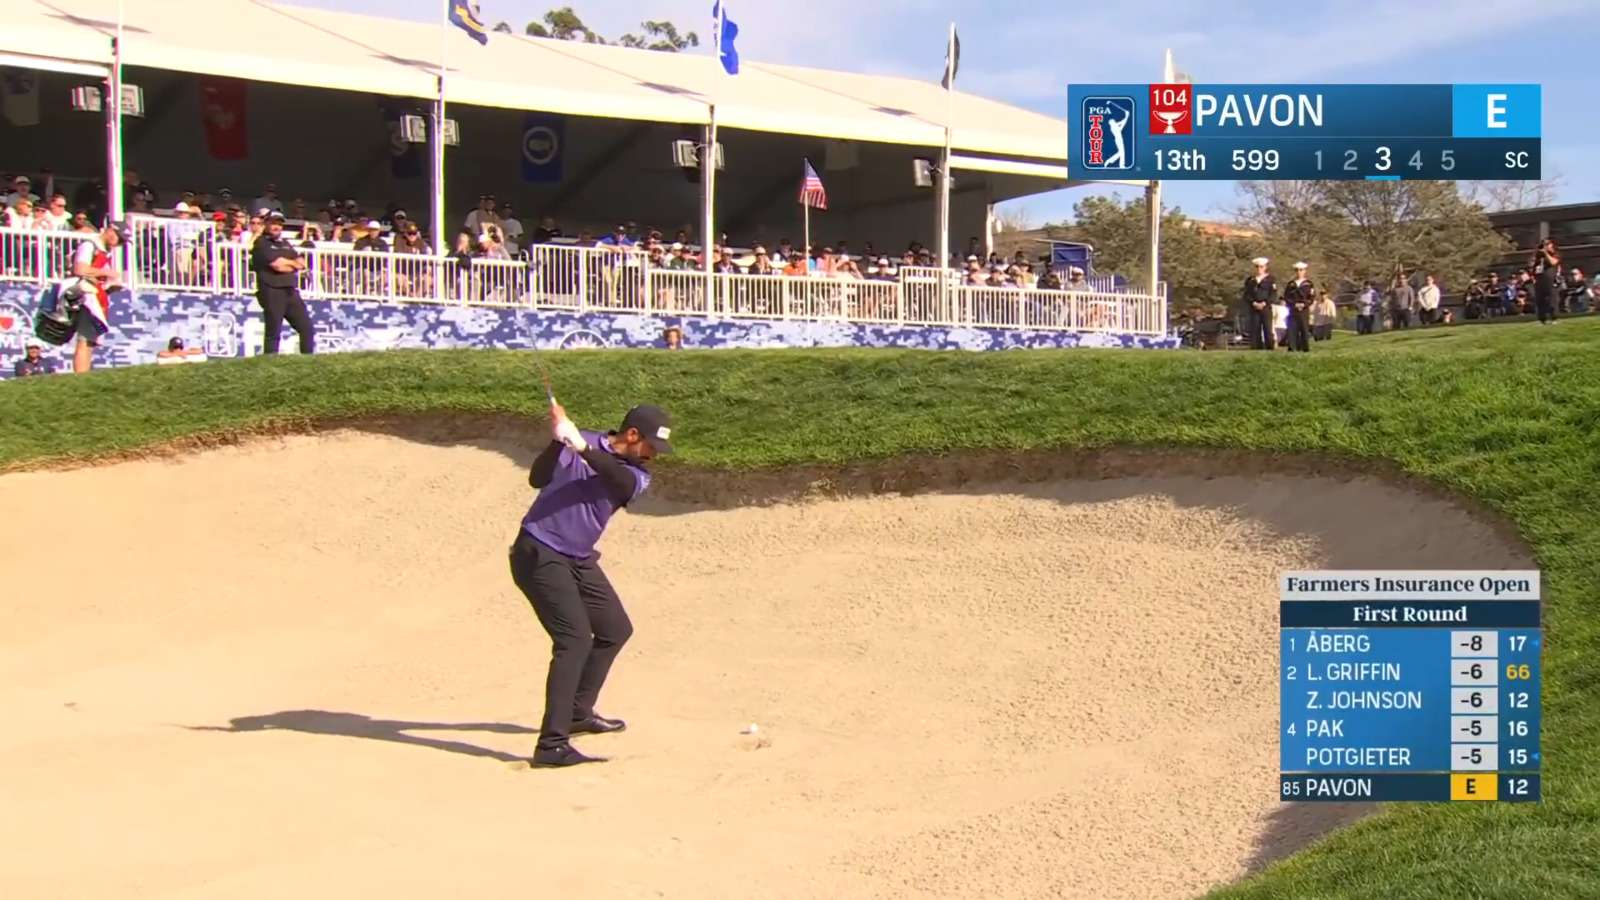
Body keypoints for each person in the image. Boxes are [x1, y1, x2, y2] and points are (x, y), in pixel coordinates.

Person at [510, 401, 675, 768]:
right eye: (651, 446)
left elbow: (616, 480)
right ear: (632, 436)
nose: (654, 455)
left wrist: (580, 447)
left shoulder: (636, 475)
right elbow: (537, 479)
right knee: (573, 640)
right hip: (538, 550)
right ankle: (552, 745)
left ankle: (577, 712)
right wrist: (557, 441)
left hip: (578, 557)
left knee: (615, 629)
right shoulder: (578, 441)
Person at [249, 212, 313, 354]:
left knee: (307, 328)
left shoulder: (285, 243)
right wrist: (292, 264)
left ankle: (309, 361)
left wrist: (288, 263)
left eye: (279, 223)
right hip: (272, 290)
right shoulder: (261, 243)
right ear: (266, 224)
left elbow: (301, 263)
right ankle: (270, 363)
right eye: (273, 223)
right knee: (274, 331)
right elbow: (277, 265)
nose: (276, 226)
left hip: (290, 290)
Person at [69, 221, 126, 373]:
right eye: (119, 239)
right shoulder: (89, 245)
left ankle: (84, 374)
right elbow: (80, 269)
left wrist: (110, 287)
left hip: (95, 296)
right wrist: (107, 273)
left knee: (89, 340)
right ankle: (80, 377)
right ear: (110, 231)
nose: (118, 244)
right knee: (84, 338)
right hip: (84, 296)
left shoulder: (103, 252)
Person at [1241, 257, 1276, 350]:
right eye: (1257, 267)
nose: (1259, 269)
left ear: (1265, 267)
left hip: (1266, 307)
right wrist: (1253, 303)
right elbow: (1247, 294)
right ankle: (1256, 348)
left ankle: (1269, 347)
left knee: (1267, 328)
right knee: (1255, 328)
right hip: (1254, 307)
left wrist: (1265, 303)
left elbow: (1273, 294)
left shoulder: (1270, 279)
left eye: (1261, 267)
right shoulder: (1250, 280)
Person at [1282, 261, 1314, 352]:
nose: (1299, 272)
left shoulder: (1308, 284)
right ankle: (1292, 347)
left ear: (1305, 271)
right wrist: (1293, 304)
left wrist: (1304, 304)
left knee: (1304, 328)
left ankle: (1305, 348)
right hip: (1293, 309)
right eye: (1297, 270)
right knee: (1292, 329)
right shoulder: (1291, 284)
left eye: (1301, 270)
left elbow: (1311, 297)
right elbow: (1287, 297)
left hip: (1304, 310)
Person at [1532, 239, 1560, 325]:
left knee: (1552, 300)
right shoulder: (1538, 257)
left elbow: (1553, 262)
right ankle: (1542, 319)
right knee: (1540, 301)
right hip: (1540, 281)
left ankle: (1554, 318)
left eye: (1547, 245)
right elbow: (1532, 266)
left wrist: (1546, 253)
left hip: (1550, 281)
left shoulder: (1554, 255)